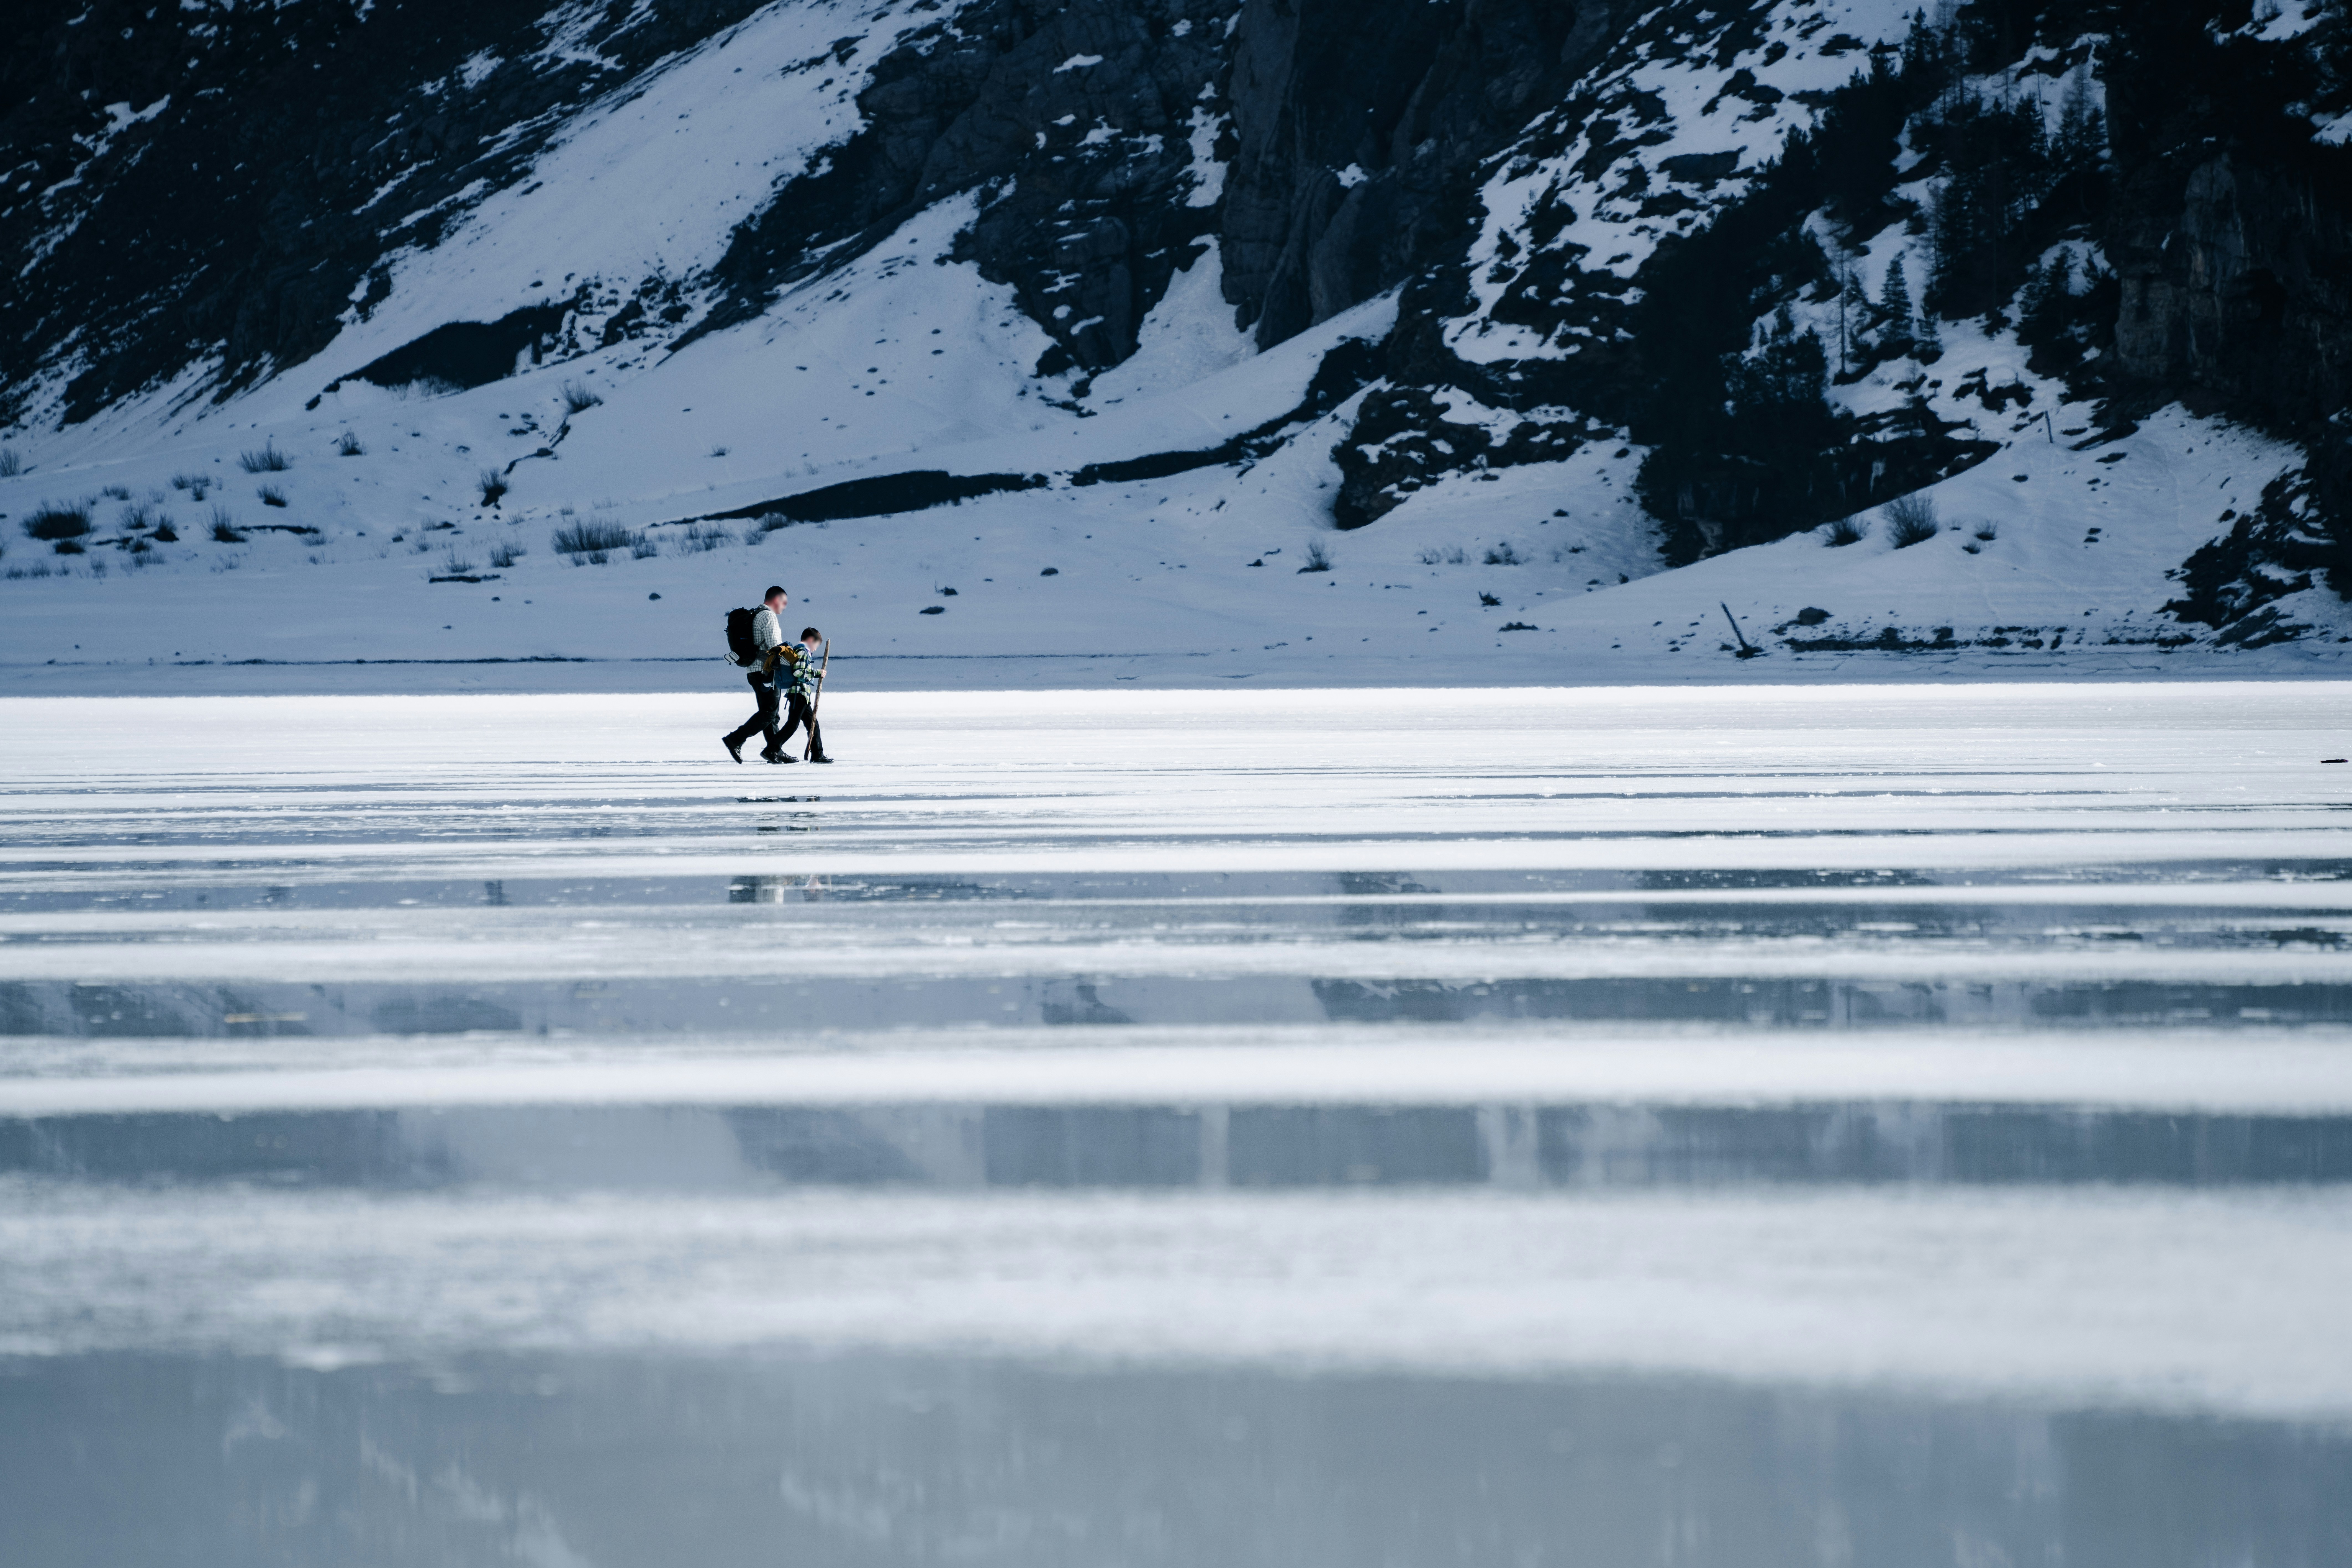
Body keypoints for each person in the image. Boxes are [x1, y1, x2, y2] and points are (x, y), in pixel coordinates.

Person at [721, 586, 790, 763]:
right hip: (766, 672)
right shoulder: (768, 616)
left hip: (753, 671)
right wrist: (795, 664)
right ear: (777, 600)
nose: (785, 607)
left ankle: (775, 751)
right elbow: (776, 649)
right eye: (784, 603)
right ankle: (736, 739)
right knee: (769, 713)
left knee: (770, 714)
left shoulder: (755, 615)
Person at [772, 626, 832, 763]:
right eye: (816, 645)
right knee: (792, 725)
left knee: (813, 724)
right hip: (799, 693)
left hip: (802, 695)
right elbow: (798, 673)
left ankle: (817, 754)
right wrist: (817, 673)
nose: (816, 649)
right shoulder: (803, 652)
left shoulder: (802, 651)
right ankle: (772, 749)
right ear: (811, 640)